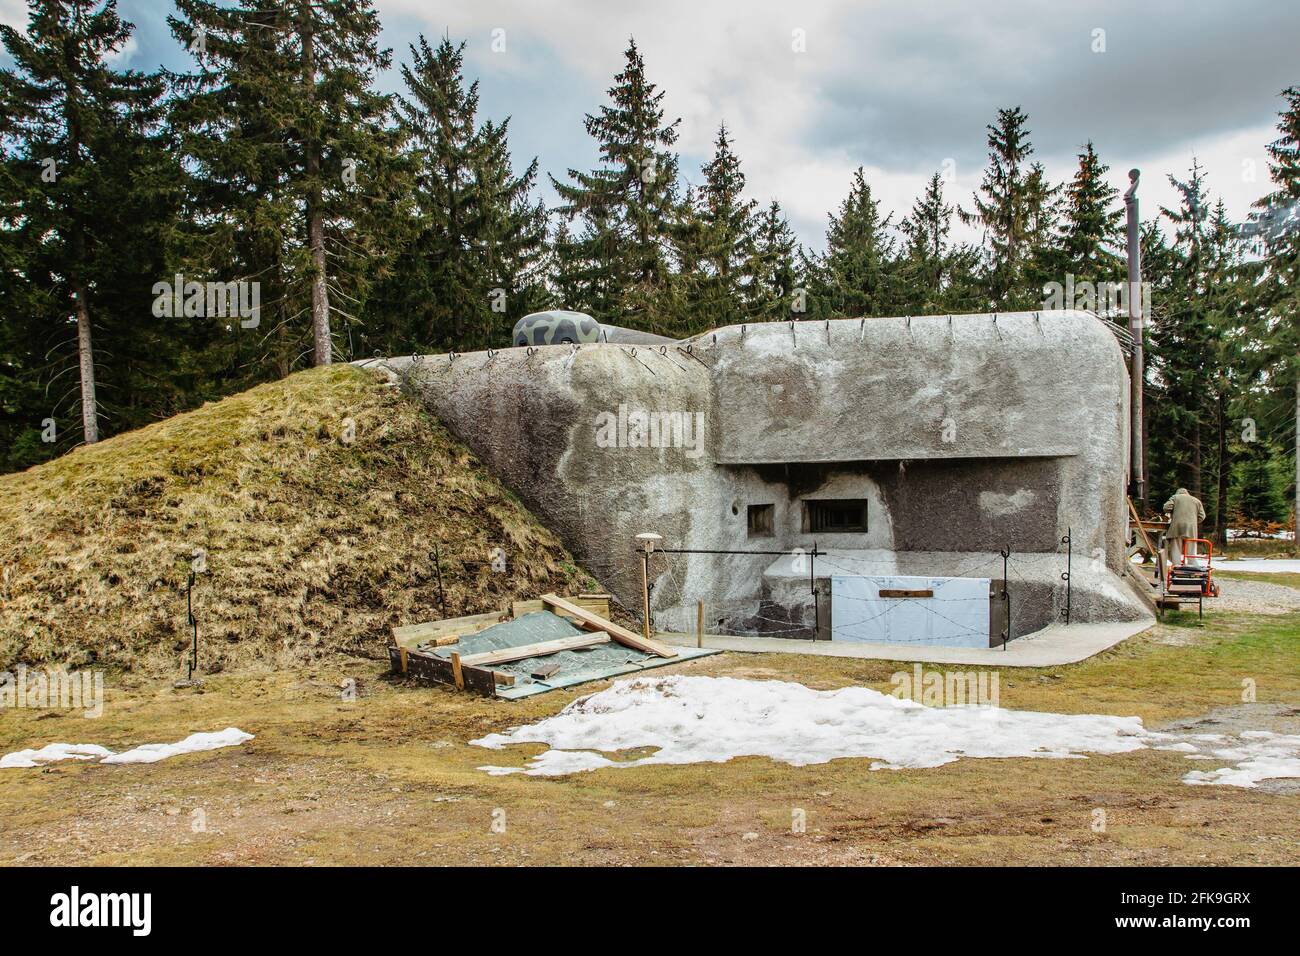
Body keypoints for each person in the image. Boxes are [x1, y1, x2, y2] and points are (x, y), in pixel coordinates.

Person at [1163, 487, 1206, 567]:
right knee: (1191, 546)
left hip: (1177, 526)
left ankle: (1176, 564)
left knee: (1176, 546)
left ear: (1178, 493)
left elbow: (1166, 508)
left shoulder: (1175, 497)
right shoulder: (1196, 500)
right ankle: (1191, 564)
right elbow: (1202, 516)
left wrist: (1172, 511)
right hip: (1191, 528)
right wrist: (1193, 522)